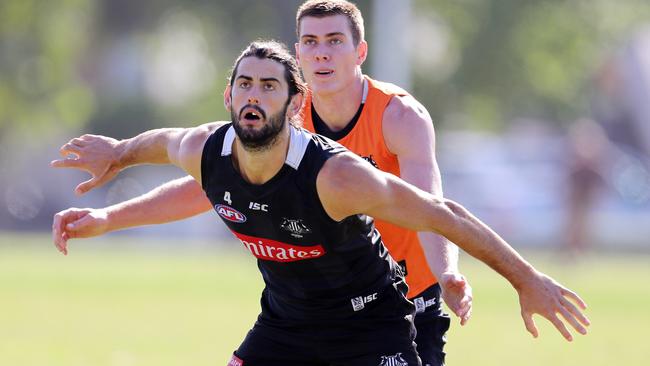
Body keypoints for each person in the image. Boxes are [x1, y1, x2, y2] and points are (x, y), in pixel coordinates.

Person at [52, 40, 589, 366]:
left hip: (367, 329)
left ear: (295, 102)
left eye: (268, 86)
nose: (254, 96)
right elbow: (166, 152)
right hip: (284, 327)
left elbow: (444, 214)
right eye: (244, 85)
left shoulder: (335, 177)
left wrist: (526, 280)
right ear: (228, 97)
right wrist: (117, 162)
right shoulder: (206, 148)